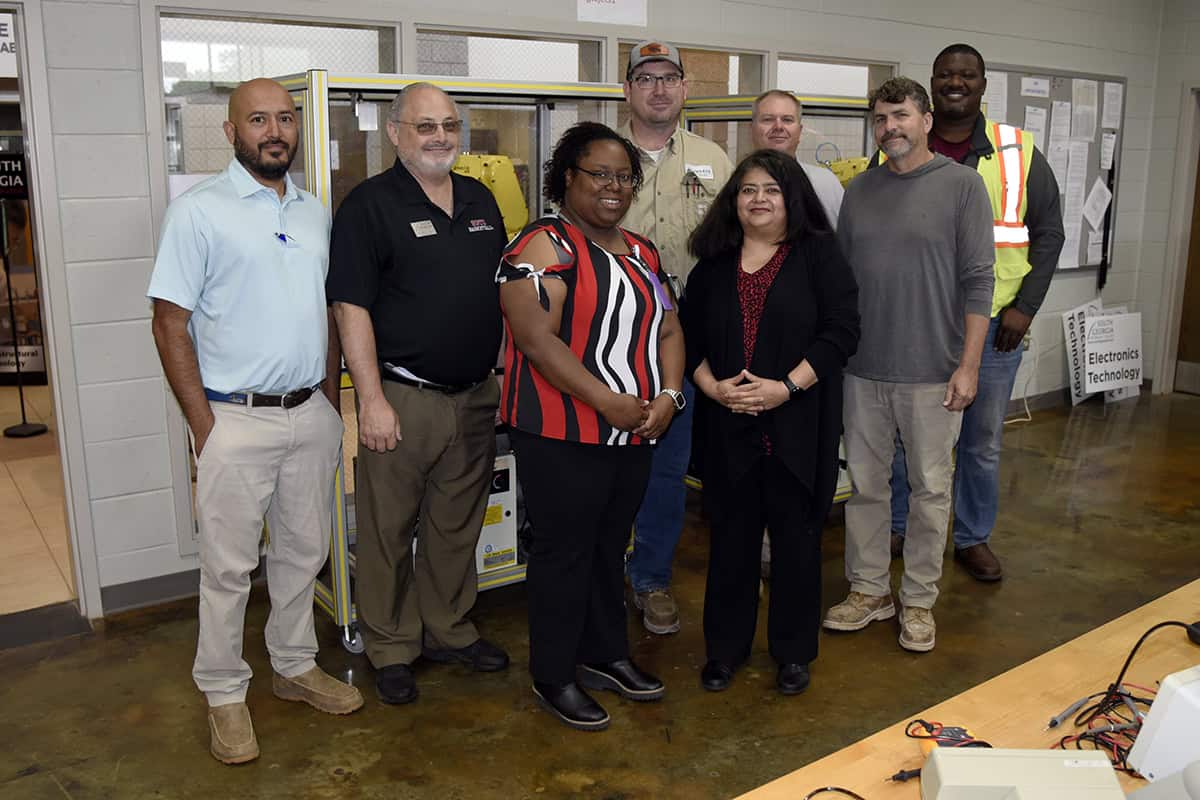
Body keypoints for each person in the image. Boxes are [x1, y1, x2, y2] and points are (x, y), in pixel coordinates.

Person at [148, 78, 362, 765]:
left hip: (310, 415)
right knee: (229, 568)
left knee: (304, 552)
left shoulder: (314, 212)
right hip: (233, 420)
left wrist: (329, 401)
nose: (275, 130)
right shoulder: (199, 214)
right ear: (230, 131)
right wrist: (203, 426)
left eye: (286, 118)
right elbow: (169, 323)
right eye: (259, 119)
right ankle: (222, 692)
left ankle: (294, 665)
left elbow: (328, 315)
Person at [326, 82, 509, 707]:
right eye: (424, 125)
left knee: (456, 525)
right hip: (404, 398)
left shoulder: (481, 199)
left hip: (476, 396)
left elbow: (500, 293)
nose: (439, 137)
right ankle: (390, 645)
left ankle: (449, 630)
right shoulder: (368, 206)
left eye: (449, 125)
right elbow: (350, 307)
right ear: (395, 132)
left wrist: (502, 371)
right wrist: (369, 401)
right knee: (386, 528)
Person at [498, 122, 686, 730]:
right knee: (563, 552)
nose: (614, 187)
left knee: (610, 546)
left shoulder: (641, 250)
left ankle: (604, 653)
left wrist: (669, 394)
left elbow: (669, 329)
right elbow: (535, 340)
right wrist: (607, 401)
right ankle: (553, 674)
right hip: (561, 430)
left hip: (632, 429)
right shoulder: (542, 246)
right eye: (598, 174)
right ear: (567, 179)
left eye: (624, 176)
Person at [824, 77, 994, 653]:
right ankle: (870, 590)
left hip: (933, 372)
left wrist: (968, 367)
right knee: (867, 489)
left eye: (899, 115)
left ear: (925, 121)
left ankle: (919, 600)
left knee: (929, 491)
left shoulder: (963, 186)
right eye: (879, 119)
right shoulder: (861, 191)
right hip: (863, 370)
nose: (889, 127)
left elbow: (979, 282)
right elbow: (842, 284)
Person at [887, 44, 1065, 580]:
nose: (955, 83)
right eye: (945, 74)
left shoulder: (1018, 151)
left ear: (983, 85)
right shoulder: (900, 143)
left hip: (993, 331)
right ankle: (901, 524)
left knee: (981, 442)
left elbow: (1050, 234)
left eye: (967, 75)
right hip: (915, 329)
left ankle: (971, 537)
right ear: (932, 83)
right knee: (906, 438)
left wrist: (1025, 309)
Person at [683, 150, 859, 694]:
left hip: (798, 426)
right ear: (733, 200)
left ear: (792, 199)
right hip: (729, 425)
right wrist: (710, 386)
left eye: (772, 190)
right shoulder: (713, 262)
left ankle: (792, 652)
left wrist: (785, 388)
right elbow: (684, 334)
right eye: (748, 189)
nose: (759, 199)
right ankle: (724, 652)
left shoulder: (819, 255)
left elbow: (842, 332)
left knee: (797, 545)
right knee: (731, 545)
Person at [618, 40, 734, 635]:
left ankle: (652, 578)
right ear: (627, 89)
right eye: (646, 77)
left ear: (685, 88)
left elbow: (734, 247)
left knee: (667, 463)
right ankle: (601, 569)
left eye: (669, 78)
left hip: (684, 336)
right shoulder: (603, 157)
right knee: (602, 461)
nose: (658, 88)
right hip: (610, 333)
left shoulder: (713, 159)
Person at [749, 90, 845, 229]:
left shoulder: (825, 183)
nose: (778, 127)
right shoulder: (735, 183)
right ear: (751, 129)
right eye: (768, 119)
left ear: (799, 131)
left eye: (787, 120)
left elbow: (841, 240)